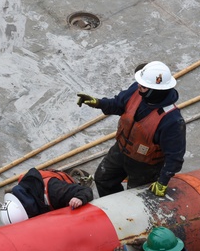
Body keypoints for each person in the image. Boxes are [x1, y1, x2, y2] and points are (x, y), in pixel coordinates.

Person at [76, 61, 185, 197]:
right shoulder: (137, 91)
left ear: (155, 90)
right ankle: (115, 206)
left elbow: (175, 156)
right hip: (121, 150)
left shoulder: (171, 121)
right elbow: (118, 104)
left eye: (143, 86)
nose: (139, 86)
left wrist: (163, 181)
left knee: (135, 196)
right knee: (103, 178)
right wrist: (99, 103)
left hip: (145, 166)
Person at [0, 167, 94, 225]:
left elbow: (85, 190)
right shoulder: (24, 190)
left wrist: (79, 198)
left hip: (61, 197)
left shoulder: (56, 191)